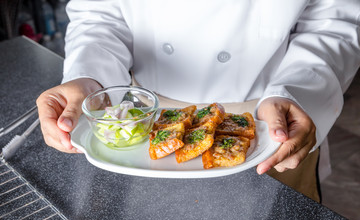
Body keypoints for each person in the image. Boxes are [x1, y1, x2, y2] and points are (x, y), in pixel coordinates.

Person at [36, 0, 360, 201]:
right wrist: (87, 79)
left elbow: (335, 22)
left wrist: (300, 91)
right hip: (145, 123)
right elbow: (99, 14)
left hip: (273, 121)